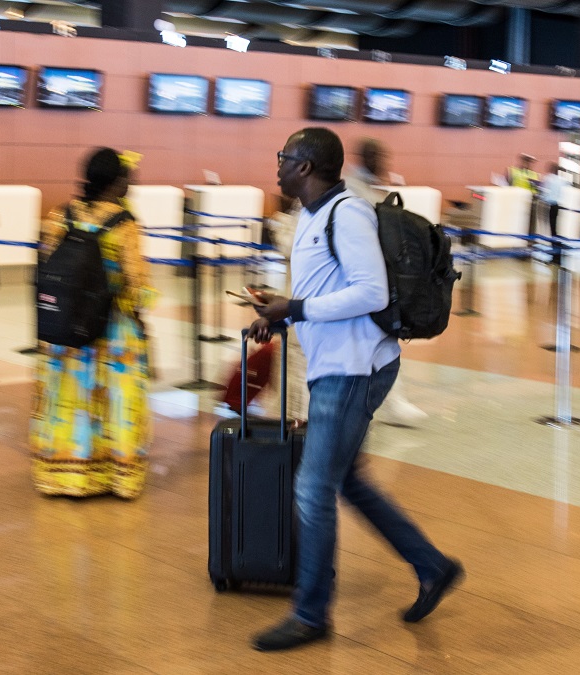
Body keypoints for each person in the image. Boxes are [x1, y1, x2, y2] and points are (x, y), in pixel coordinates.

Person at [247, 128, 463, 652]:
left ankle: (311, 613)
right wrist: (282, 314)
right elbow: (327, 291)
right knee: (348, 482)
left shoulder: (349, 213)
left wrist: (295, 309)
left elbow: (371, 291)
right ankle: (433, 566)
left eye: (284, 157)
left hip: (353, 369)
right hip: (336, 361)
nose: (276, 165)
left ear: (306, 166)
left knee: (313, 487)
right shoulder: (312, 216)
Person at [30, 147, 154, 499]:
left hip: (65, 329)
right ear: (116, 182)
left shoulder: (59, 215)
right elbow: (138, 287)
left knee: (68, 398)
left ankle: (62, 476)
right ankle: (113, 476)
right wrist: (141, 310)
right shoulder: (124, 224)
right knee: (114, 399)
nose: (130, 183)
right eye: (127, 177)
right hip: (111, 331)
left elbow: (47, 266)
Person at [343, 137, 428, 428]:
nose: (383, 163)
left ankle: (392, 403)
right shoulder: (352, 188)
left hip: (370, 284)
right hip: (356, 286)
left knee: (382, 343)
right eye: (377, 156)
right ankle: (387, 405)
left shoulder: (364, 186)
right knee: (376, 342)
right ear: (366, 157)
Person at [538, 162, 567, 264]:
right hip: (558, 206)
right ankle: (557, 252)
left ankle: (556, 254)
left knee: (553, 231)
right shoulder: (562, 180)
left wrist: (541, 197)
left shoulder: (548, 178)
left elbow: (543, 192)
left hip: (550, 206)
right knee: (556, 230)